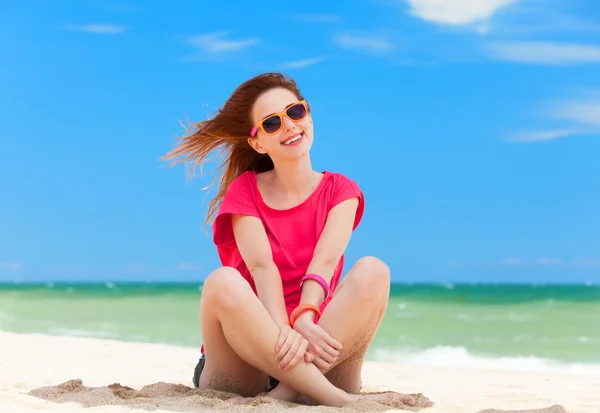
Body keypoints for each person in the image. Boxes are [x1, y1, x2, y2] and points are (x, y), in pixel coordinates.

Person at [163, 72, 416, 408]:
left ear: (308, 114)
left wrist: (305, 318)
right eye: (271, 123)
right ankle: (336, 400)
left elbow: (324, 263)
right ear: (257, 143)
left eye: (295, 112)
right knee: (222, 281)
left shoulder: (342, 191)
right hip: (250, 358)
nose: (289, 126)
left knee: (374, 270)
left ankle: (289, 390)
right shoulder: (246, 191)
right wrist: (284, 330)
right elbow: (261, 268)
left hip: (317, 348)